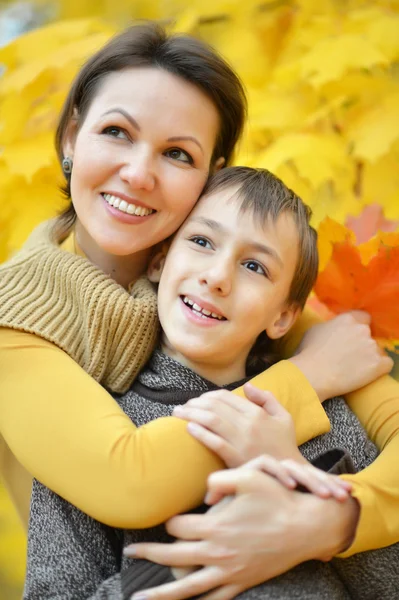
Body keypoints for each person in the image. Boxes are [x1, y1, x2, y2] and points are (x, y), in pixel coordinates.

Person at [0, 21, 397, 576]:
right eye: (116, 131)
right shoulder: (14, 317)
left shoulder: (239, 294)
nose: (138, 174)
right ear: (72, 137)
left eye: (178, 154)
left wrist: (333, 520)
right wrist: (306, 379)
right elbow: (128, 481)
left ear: (212, 176)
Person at [23, 167, 399, 600]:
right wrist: (190, 566)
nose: (217, 277)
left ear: (283, 317)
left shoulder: (324, 422)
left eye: (255, 266)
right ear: (161, 259)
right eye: (202, 242)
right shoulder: (101, 429)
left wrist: (297, 475)